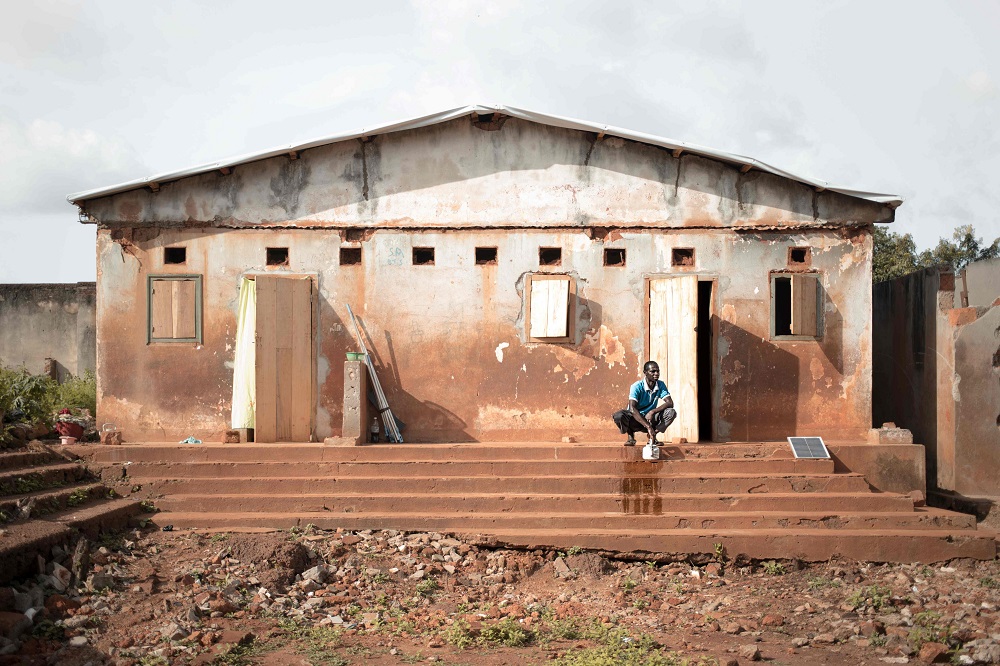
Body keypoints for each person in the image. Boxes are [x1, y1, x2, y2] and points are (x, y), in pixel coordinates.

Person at [612, 361, 677, 446]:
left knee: (671, 412)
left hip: (650, 418)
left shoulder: (660, 385)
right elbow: (632, 408)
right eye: (653, 371)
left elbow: (670, 403)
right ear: (645, 373)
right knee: (619, 415)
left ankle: (652, 436)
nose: (656, 373)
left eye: (658, 371)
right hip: (636, 419)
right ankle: (630, 435)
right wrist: (648, 427)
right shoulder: (637, 386)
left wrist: (652, 411)